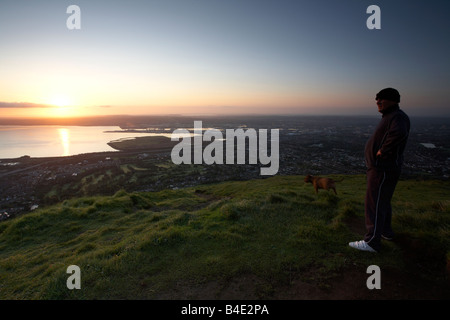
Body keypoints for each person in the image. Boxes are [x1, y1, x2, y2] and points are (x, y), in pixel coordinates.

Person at [349, 88, 410, 252]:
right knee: (382, 201)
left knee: (374, 203)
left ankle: (371, 242)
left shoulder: (397, 117)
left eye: (381, 99)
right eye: (376, 99)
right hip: (383, 168)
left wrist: (383, 151)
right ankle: (385, 232)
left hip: (382, 168)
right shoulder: (391, 116)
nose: (377, 101)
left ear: (393, 100)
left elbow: (399, 133)